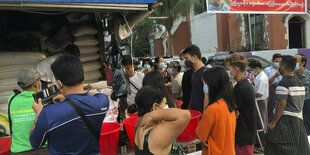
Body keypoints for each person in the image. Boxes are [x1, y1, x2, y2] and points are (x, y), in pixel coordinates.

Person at [29, 55, 110, 154]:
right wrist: (69, 98)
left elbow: (35, 143)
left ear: (58, 84)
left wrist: (38, 113)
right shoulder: (101, 102)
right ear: (84, 76)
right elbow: (98, 95)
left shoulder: (47, 113)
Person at [265, 55, 310, 155]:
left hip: (285, 122)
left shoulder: (283, 83)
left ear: (283, 67)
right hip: (298, 122)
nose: (278, 67)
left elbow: (281, 105)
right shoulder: (299, 82)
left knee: (274, 148)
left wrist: (273, 123)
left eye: (280, 64)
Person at [134, 86, 190, 155]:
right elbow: (185, 115)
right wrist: (152, 115)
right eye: (165, 103)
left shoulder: (140, 129)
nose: (167, 107)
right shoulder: (155, 135)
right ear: (155, 107)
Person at [196, 67, 237, 155]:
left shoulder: (212, 109)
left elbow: (200, 135)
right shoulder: (229, 105)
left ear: (213, 85)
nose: (204, 86)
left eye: (206, 83)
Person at [8, 68, 47, 154]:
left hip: (18, 151)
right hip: (41, 149)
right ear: (36, 83)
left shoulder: (11, 99)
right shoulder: (43, 100)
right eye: (39, 80)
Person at [225, 54, 257, 155]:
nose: (227, 72)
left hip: (243, 135)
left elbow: (230, 108)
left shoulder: (242, 88)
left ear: (237, 69)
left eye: (228, 69)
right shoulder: (242, 84)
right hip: (244, 133)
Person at [249, 60, 269, 146]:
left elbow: (259, 93)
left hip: (260, 101)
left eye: (252, 69)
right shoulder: (258, 77)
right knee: (259, 121)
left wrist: (249, 94)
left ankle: (263, 143)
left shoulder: (262, 78)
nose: (252, 71)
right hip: (258, 101)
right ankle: (260, 142)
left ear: (257, 68)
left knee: (261, 122)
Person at [183, 45, 207, 113]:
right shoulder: (194, 72)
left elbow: (208, 96)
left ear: (195, 57)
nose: (185, 61)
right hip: (194, 111)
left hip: (202, 113)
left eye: (187, 58)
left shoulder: (205, 72)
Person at [264, 53, 282, 123]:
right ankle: (269, 122)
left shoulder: (282, 69)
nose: (278, 63)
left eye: (279, 62)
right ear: (272, 61)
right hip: (271, 89)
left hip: (280, 89)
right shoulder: (267, 70)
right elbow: (267, 82)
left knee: (280, 106)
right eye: (276, 61)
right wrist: (275, 76)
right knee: (271, 107)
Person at [295, 54, 310, 135]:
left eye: (296, 61)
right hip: (294, 103)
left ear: (302, 63)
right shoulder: (291, 75)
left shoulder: (308, 74)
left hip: (306, 102)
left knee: (307, 122)